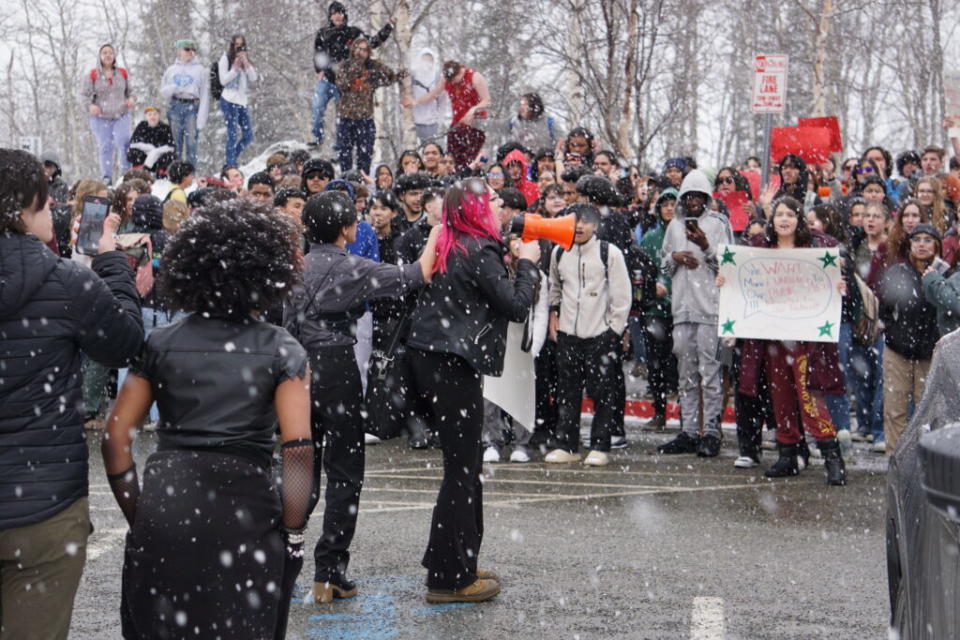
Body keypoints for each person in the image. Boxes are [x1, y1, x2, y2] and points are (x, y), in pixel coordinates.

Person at [102, 199, 312, 639]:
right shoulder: (283, 349)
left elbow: (116, 436)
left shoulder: (160, 342)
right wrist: (293, 533)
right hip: (246, 509)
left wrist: (140, 512)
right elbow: (297, 451)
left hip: (169, 499)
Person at [0, 148, 143, 640]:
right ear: (20, 212)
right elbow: (126, 342)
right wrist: (112, 264)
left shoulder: (63, 278)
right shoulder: (65, 282)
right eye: (44, 206)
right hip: (43, 509)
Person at [285, 191, 438, 603]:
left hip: (293, 369)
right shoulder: (352, 266)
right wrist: (438, 228)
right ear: (346, 229)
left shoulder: (292, 265)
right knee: (345, 470)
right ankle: (330, 570)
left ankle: (285, 562)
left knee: (299, 464)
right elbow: (418, 274)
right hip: (336, 365)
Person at [405, 178, 539, 602]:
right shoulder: (479, 249)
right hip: (453, 364)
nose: (501, 207)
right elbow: (515, 306)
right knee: (462, 471)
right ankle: (449, 579)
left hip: (432, 357)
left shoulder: (449, 241)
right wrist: (530, 264)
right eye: (494, 201)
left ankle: (456, 560)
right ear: (477, 209)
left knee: (461, 468)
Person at [723, 196, 848, 484]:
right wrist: (725, 280)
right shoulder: (760, 250)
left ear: (798, 219)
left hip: (805, 340)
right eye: (779, 214)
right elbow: (740, 282)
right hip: (772, 340)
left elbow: (838, 286)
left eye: (789, 214)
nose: (783, 219)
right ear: (771, 219)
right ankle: (788, 453)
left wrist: (839, 285)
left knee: (810, 399)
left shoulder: (816, 249)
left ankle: (831, 455)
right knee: (780, 398)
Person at [545, 204, 631, 466]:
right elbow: (554, 287)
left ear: (596, 225)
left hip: (600, 334)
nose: (580, 226)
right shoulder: (559, 252)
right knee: (567, 391)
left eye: (586, 221)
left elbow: (621, 295)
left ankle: (600, 445)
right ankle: (567, 445)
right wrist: (554, 317)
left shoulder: (609, 253)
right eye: (575, 221)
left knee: (602, 392)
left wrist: (613, 329)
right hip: (568, 333)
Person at [656, 169, 734, 457]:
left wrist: (705, 246)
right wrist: (673, 258)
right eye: (689, 196)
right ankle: (688, 430)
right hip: (681, 310)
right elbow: (663, 267)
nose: (693, 201)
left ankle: (711, 431)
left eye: (699, 196)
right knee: (686, 375)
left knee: (711, 374)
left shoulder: (718, 223)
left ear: (707, 198)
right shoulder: (673, 227)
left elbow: (730, 267)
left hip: (710, 309)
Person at [878, 223, 941, 454]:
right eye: (917, 240)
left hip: (930, 353)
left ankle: (926, 460)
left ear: (936, 245)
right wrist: (895, 334)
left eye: (927, 239)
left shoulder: (944, 273)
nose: (921, 244)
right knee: (895, 410)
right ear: (910, 244)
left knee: (927, 412)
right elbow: (884, 310)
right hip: (897, 351)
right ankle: (895, 459)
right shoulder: (897, 272)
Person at [312, 2, 395, 147]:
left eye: (340, 13)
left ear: (344, 16)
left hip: (345, 83)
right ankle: (317, 138)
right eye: (334, 13)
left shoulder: (353, 33)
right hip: (327, 79)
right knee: (317, 107)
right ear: (330, 16)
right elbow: (318, 54)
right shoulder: (323, 33)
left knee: (342, 117)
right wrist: (319, 70)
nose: (337, 16)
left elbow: (372, 43)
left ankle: (340, 146)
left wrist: (388, 27)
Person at [638, 188, 680, 428]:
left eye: (674, 203)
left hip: (683, 307)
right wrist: (652, 286)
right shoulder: (650, 238)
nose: (669, 208)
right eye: (664, 204)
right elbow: (640, 270)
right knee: (656, 364)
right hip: (655, 309)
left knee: (683, 363)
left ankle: (688, 415)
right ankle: (660, 411)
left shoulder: (687, 235)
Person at [404, 61, 490, 171]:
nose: (453, 83)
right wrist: (415, 101)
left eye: (454, 80)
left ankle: (471, 182)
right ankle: (455, 182)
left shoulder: (474, 77)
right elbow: (432, 94)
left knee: (469, 161)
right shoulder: (446, 79)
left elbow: (487, 101)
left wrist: (473, 110)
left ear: (460, 73)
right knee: (451, 159)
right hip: (457, 125)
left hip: (475, 125)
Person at [336, 37, 403, 174]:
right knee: (345, 154)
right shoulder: (345, 66)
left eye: (364, 50)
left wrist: (376, 65)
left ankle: (363, 183)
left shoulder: (372, 70)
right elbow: (342, 85)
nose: (360, 52)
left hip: (365, 119)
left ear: (368, 53)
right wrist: (357, 67)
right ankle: (345, 181)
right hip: (346, 118)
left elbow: (389, 77)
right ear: (353, 49)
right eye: (358, 48)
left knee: (365, 154)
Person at [82, 44, 134, 183]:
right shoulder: (93, 75)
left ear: (114, 56)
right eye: (104, 53)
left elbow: (131, 91)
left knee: (123, 141)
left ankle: (125, 174)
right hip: (101, 117)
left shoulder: (122, 73)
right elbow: (84, 95)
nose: (107, 55)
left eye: (110, 53)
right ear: (100, 56)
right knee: (105, 146)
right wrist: (90, 106)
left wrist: (131, 98)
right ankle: (107, 176)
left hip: (121, 114)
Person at [159, 39, 210, 167]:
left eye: (193, 50)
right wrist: (173, 88)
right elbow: (163, 91)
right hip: (175, 105)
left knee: (191, 143)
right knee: (176, 143)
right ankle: (176, 172)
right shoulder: (171, 70)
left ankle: (191, 173)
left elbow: (205, 94)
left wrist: (202, 118)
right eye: (187, 49)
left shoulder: (200, 70)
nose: (190, 52)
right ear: (179, 51)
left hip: (192, 106)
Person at [218, 35, 258, 167]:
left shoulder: (245, 60)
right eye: (237, 45)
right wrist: (234, 68)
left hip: (242, 101)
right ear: (232, 45)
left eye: (242, 45)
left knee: (248, 135)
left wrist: (245, 62)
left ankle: (231, 159)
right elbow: (223, 80)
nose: (239, 48)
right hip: (229, 99)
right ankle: (230, 165)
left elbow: (253, 77)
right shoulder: (225, 59)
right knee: (232, 134)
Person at [126, 107, 175, 176]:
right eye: (150, 115)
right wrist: (148, 148)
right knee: (133, 153)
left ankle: (161, 174)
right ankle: (140, 172)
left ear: (159, 116)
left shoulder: (165, 127)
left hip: (160, 158)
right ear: (146, 116)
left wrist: (155, 152)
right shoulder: (141, 126)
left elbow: (171, 146)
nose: (152, 117)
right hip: (143, 157)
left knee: (169, 156)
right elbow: (133, 144)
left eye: (155, 114)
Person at [410, 47, 445, 143]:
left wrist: (439, 121)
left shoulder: (438, 77)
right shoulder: (412, 77)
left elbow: (442, 102)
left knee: (431, 151)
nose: (427, 63)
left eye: (430, 60)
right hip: (414, 123)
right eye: (424, 59)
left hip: (432, 124)